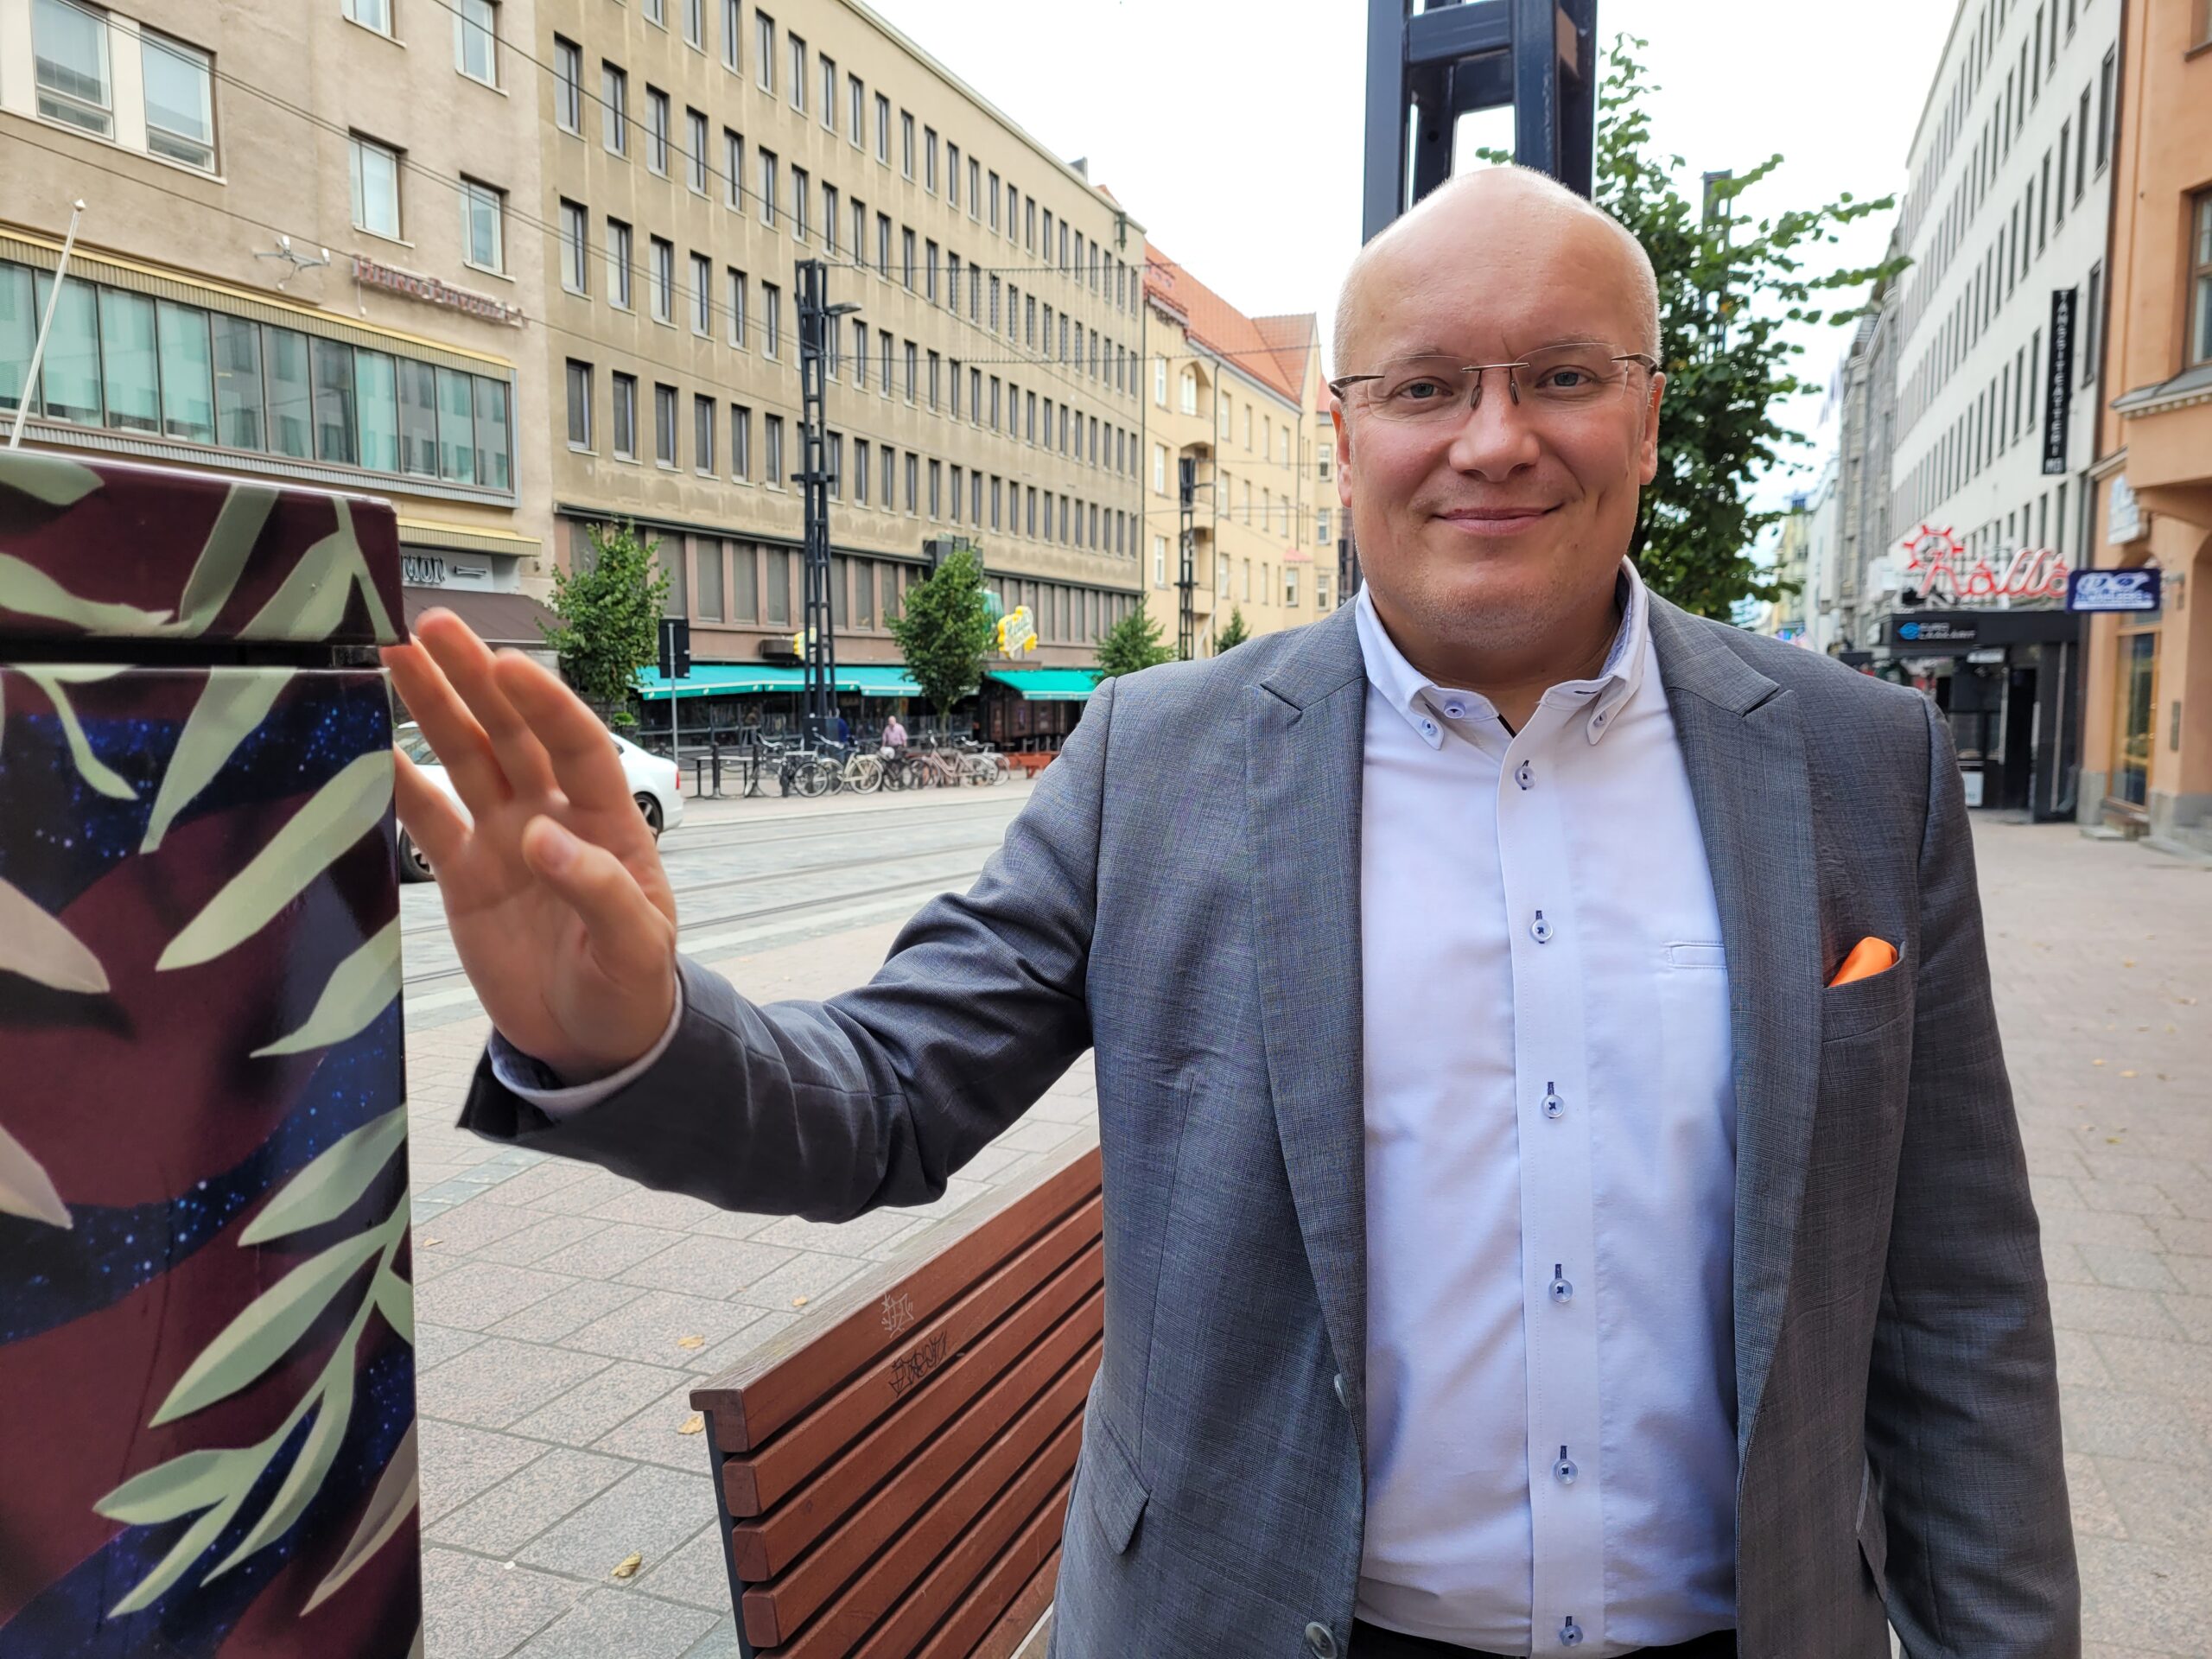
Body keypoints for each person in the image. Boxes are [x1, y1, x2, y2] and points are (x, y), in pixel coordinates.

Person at [386, 167, 2075, 1659]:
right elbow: (884, 1100)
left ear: (1643, 417)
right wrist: (627, 1034)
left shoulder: (1858, 765)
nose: (1493, 439)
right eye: (1424, 386)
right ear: (1341, 440)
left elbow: (1958, 1303)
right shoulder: (1157, 759)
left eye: (1561, 376)